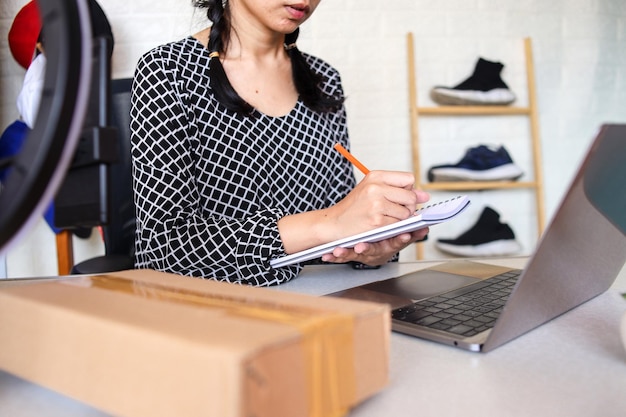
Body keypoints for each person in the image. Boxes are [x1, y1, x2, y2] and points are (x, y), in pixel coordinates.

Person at [130, 0, 430, 286]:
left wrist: (373, 249)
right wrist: (329, 224)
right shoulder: (167, 71)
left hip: (320, 302)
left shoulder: (323, 78)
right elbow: (164, 248)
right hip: (209, 311)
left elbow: (341, 223)